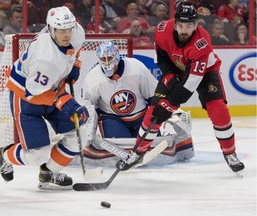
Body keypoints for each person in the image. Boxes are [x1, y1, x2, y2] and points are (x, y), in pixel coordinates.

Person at [123, 3, 245, 174]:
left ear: (196, 26)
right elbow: (163, 60)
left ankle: (230, 154)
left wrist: (169, 105)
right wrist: (171, 81)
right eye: (181, 25)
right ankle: (137, 153)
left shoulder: (202, 43)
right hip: (175, 68)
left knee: (218, 109)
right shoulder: (162, 30)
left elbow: (190, 84)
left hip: (205, 72)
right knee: (153, 113)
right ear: (175, 24)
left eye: (189, 26)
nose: (184, 30)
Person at [0, 6, 91, 190]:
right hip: (27, 98)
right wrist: (65, 101)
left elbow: (76, 49)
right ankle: (5, 155)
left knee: (79, 136)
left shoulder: (76, 32)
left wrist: (75, 64)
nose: (67, 34)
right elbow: (34, 92)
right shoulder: (45, 60)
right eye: (61, 30)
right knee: (37, 155)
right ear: (50, 29)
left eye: (69, 28)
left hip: (52, 88)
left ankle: (48, 173)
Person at [81, 41, 194, 164]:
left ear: (117, 57)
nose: (107, 62)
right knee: (120, 145)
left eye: (110, 58)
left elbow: (153, 96)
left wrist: (169, 113)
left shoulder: (136, 68)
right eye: (103, 58)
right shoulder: (92, 78)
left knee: (152, 144)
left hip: (140, 116)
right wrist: (88, 131)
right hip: (112, 118)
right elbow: (89, 108)